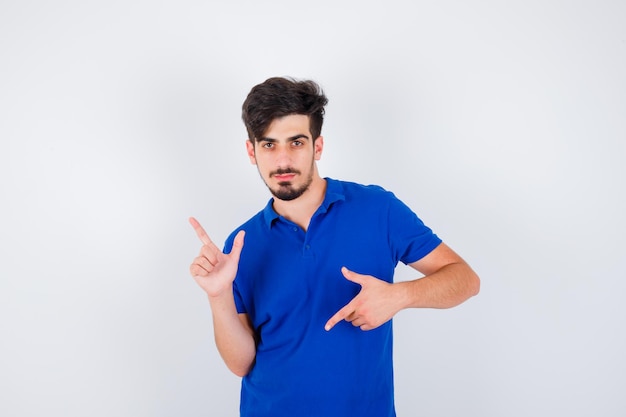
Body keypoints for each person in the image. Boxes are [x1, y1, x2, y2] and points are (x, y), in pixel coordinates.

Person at [188, 77, 480, 417]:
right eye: (269, 145)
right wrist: (217, 295)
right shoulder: (241, 244)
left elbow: (465, 280)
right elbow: (241, 363)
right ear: (252, 151)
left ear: (318, 146)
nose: (282, 161)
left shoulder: (377, 209)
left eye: (296, 142)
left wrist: (400, 296)